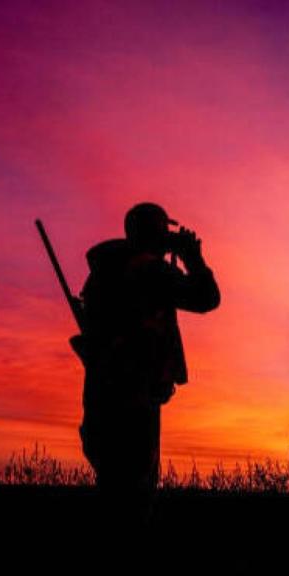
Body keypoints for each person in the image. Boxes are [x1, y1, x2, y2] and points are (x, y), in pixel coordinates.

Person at [77, 202, 220, 533]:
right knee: (133, 501)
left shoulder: (104, 271)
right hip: (134, 398)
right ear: (154, 233)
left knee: (113, 492)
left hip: (103, 394)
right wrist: (192, 257)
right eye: (163, 231)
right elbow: (206, 298)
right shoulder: (146, 270)